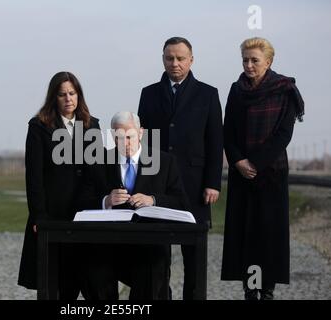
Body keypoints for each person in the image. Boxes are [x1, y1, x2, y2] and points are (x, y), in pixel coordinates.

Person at [137, 37, 223, 299]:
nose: (174, 63)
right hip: (158, 185)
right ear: (163, 59)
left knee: (194, 255)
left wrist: (213, 182)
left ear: (191, 60)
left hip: (195, 184)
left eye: (180, 58)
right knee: (158, 255)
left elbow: (215, 141)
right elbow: (145, 141)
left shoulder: (208, 94)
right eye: (169, 58)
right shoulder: (149, 93)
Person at [221, 37, 304, 300]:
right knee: (245, 234)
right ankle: (250, 288)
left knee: (268, 235)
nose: (249, 65)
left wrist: (254, 164)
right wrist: (238, 161)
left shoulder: (284, 90)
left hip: (271, 175)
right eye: (245, 60)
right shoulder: (237, 90)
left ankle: (266, 289)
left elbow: (283, 134)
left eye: (254, 60)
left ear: (268, 62)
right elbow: (228, 131)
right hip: (241, 175)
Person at [79, 111, 190, 300]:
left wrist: (153, 200)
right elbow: (82, 201)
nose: (126, 143)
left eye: (130, 136)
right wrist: (105, 201)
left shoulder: (164, 162)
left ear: (141, 133)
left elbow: (181, 202)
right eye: (119, 138)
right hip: (109, 245)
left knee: (153, 270)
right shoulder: (99, 162)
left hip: (149, 245)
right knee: (92, 268)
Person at [17, 71, 100, 299]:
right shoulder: (39, 126)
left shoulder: (92, 125)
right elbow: (34, 177)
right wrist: (38, 215)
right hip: (52, 212)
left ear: (78, 95)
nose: (68, 99)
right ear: (54, 97)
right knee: (51, 280)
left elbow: (98, 171)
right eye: (62, 94)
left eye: (72, 93)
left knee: (80, 277)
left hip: (84, 213)